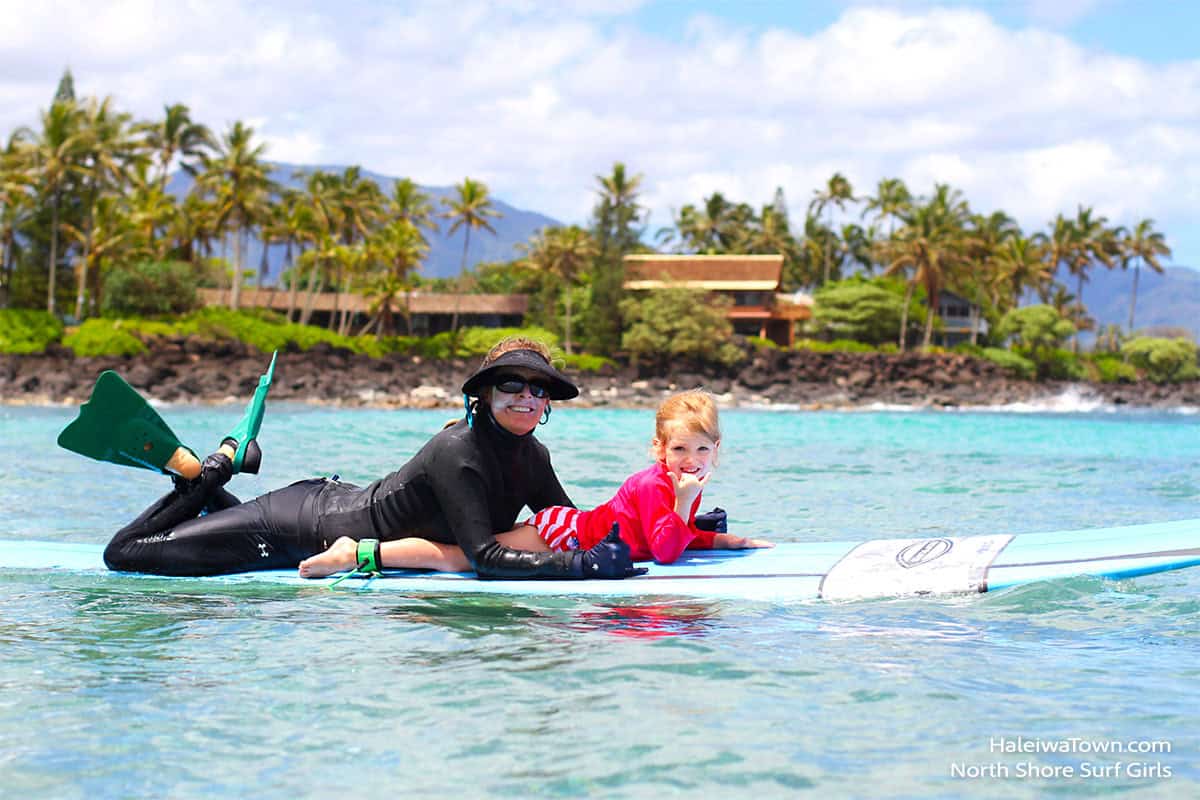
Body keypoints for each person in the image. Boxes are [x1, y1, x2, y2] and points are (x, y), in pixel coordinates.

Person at [102, 336, 644, 580]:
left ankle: (213, 480)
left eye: (537, 388)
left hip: (327, 500)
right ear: (483, 394)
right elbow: (483, 558)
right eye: (511, 384)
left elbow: (574, 525)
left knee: (217, 524)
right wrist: (577, 568)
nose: (526, 397)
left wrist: (673, 522)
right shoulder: (458, 450)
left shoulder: (533, 454)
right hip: (293, 528)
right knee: (125, 555)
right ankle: (210, 470)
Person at [299, 389, 771, 578]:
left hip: (581, 530)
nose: (690, 461)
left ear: (716, 450)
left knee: (461, 557)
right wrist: (688, 506)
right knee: (463, 559)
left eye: (701, 451)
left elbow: (672, 536)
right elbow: (668, 550)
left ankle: (363, 551)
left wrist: (729, 540)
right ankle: (358, 552)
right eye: (679, 451)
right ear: (659, 450)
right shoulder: (656, 486)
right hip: (563, 533)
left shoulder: (686, 483)